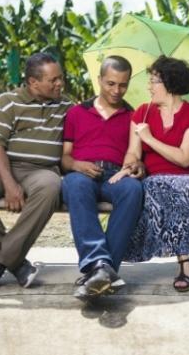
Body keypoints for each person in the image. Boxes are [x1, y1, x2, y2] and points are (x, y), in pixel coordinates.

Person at [0, 52, 71, 293]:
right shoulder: (7, 102)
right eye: (54, 80)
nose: (60, 84)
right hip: (2, 167)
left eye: (61, 78)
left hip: (41, 171)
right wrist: (9, 184)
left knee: (51, 187)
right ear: (33, 82)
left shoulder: (67, 106)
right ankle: (16, 262)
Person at [111, 55, 189, 292]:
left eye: (154, 81)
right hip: (156, 183)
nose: (149, 86)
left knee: (180, 188)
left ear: (170, 84)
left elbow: (185, 158)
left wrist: (150, 138)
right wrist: (131, 166)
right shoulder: (141, 113)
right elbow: (132, 152)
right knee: (158, 186)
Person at [61, 55, 143, 302]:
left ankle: (100, 271)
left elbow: (138, 155)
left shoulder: (133, 116)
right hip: (81, 173)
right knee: (74, 184)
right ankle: (102, 267)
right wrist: (77, 165)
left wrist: (137, 166)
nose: (117, 90)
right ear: (99, 80)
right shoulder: (77, 113)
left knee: (133, 190)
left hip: (115, 176)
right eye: (110, 84)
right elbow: (64, 158)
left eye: (123, 84)